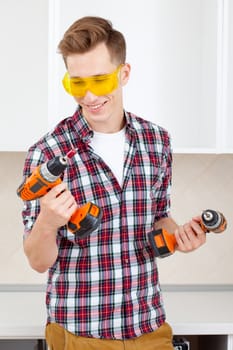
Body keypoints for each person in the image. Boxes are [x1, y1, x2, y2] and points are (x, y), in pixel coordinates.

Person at [21, 16, 206, 350]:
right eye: (77, 84)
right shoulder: (47, 153)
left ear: (124, 74)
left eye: (100, 80)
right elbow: (37, 261)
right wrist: (48, 223)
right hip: (80, 335)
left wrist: (178, 236)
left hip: (149, 329)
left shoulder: (156, 141)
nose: (90, 95)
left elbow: (159, 216)